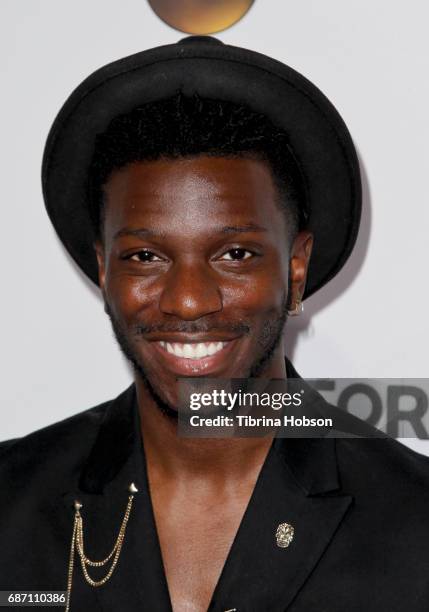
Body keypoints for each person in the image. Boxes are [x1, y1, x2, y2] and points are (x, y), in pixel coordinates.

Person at [1, 36, 429, 612]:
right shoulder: (11, 501)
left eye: (236, 255)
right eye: (145, 257)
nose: (187, 301)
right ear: (104, 269)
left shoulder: (415, 521)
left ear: (295, 269)